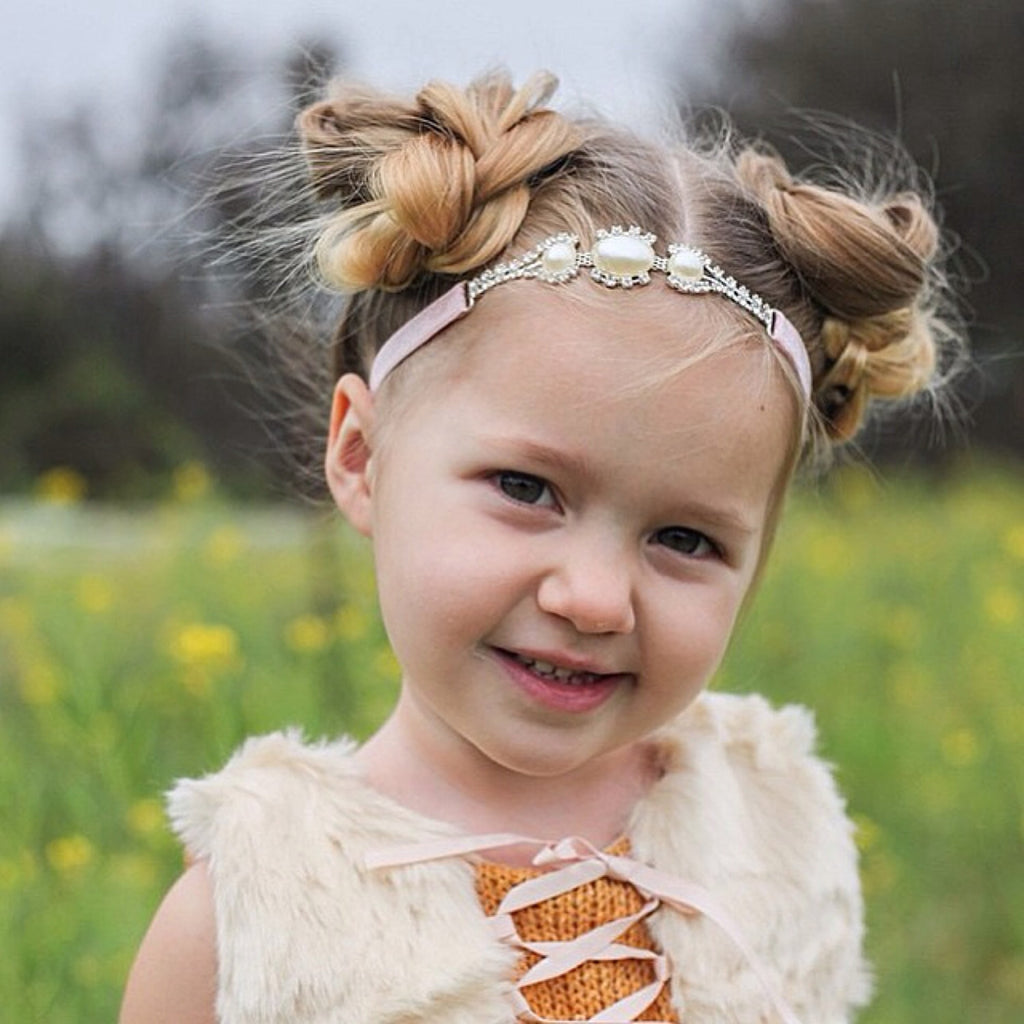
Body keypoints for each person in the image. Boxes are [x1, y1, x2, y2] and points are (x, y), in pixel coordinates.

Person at [119, 70, 960, 1024]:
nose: (596, 599)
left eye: (685, 538)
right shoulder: (248, 923)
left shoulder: (774, 830)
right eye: (527, 490)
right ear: (362, 456)